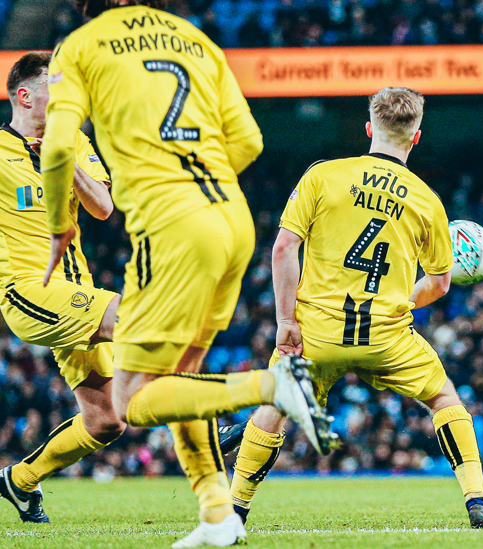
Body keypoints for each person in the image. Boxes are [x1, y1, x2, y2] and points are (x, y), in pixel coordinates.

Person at [41, 2, 331, 546]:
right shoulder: (195, 39)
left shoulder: (82, 44)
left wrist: (61, 226)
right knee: (181, 378)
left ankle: (274, 385)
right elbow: (248, 142)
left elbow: (57, 146)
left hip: (172, 231)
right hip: (231, 218)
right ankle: (218, 513)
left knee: (129, 401)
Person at [225, 87, 483, 529]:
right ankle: (477, 501)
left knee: (274, 406)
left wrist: (285, 323)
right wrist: (399, 304)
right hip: (386, 337)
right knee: (444, 398)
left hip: (317, 332)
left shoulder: (324, 175)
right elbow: (440, 282)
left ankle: (235, 509)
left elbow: (283, 250)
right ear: (416, 138)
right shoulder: (427, 200)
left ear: (369, 128)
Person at [0, 52, 123, 523]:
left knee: (105, 421)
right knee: (135, 319)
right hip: (28, 291)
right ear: (26, 96)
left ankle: (19, 482)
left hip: (77, 292)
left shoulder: (72, 137)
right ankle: (212, 431)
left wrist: (62, 157)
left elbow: (103, 207)